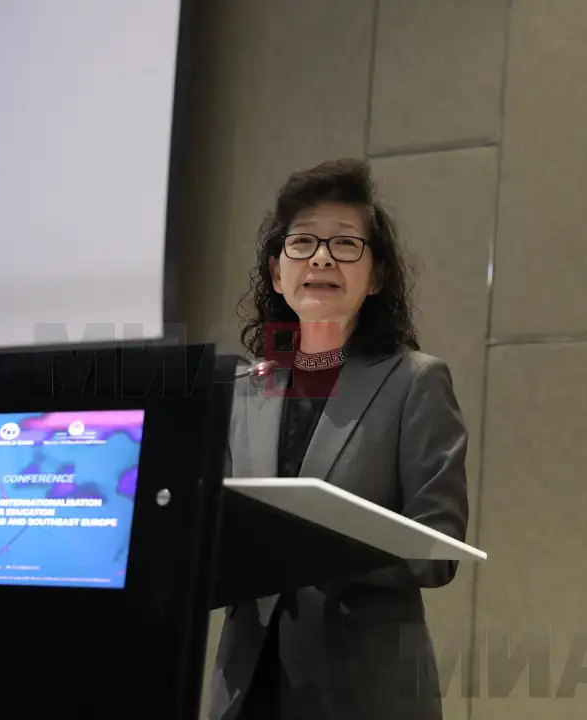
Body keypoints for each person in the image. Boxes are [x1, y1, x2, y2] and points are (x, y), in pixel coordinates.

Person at [207, 158, 469, 719]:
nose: (322, 257)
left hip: (363, 695)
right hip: (247, 690)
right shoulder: (241, 387)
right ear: (277, 272)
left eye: (346, 244)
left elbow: (438, 550)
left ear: (376, 276)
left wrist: (308, 547)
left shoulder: (415, 382)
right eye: (302, 242)